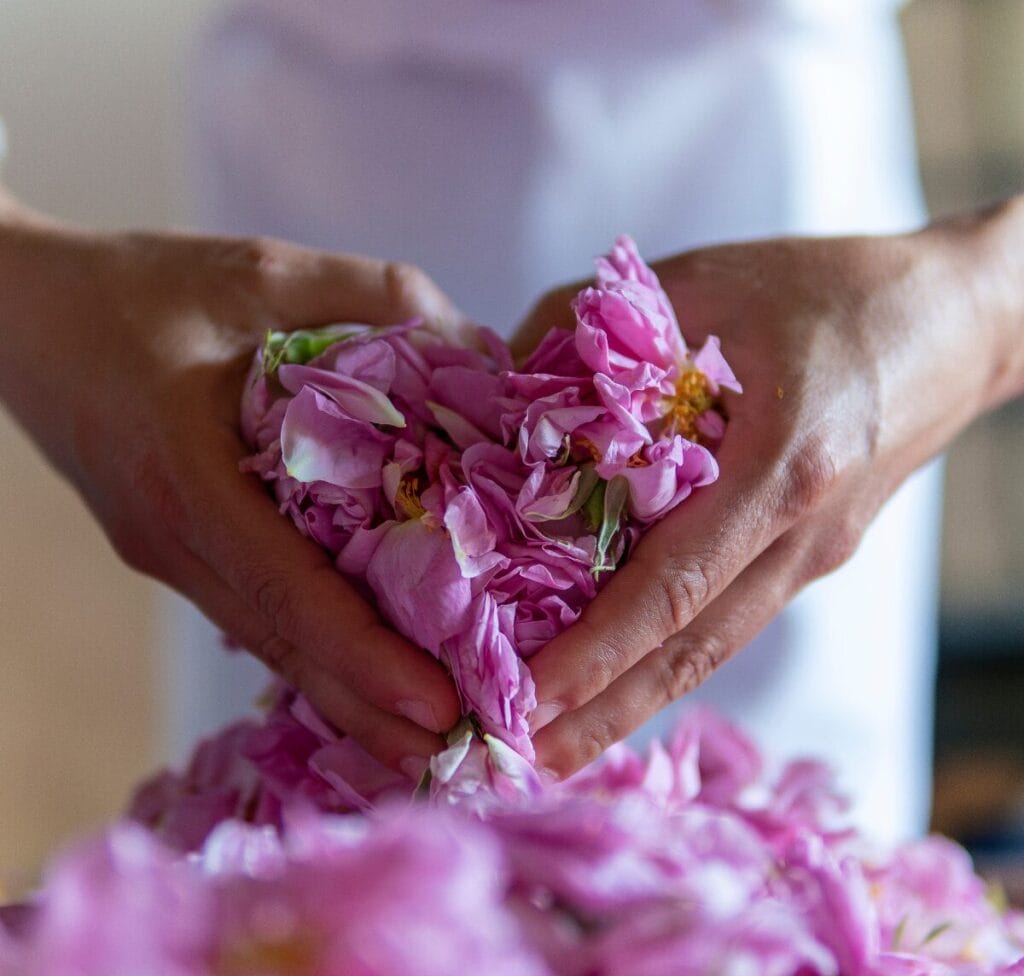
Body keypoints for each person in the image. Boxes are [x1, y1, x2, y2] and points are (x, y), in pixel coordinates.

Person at [1, 0, 1021, 844]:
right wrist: (21, 283)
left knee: (754, 926)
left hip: (791, 313)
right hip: (293, 250)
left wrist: (986, 306)